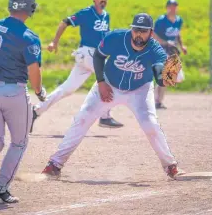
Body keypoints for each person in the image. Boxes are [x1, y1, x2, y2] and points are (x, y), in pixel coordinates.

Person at [41, 13, 184, 180]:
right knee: (82, 118)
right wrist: (101, 81)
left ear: (151, 33)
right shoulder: (115, 37)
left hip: (139, 90)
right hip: (108, 84)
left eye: (143, 31)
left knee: (150, 125)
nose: (139, 34)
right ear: (131, 29)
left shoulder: (155, 49)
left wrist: (165, 78)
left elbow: (159, 75)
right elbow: (99, 56)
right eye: (136, 29)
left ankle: (171, 166)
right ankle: (55, 164)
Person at [0, 0, 46, 204]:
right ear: (30, 7)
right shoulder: (29, 36)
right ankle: (0, 189)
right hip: (13, 92)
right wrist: (39, 91)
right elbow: (34, 72)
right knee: (19, 142)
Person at [31, 0, 123, 132]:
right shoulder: (87, 12)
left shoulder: (106, 16)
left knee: (67, 89)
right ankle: (104, 116)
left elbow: (104, 37)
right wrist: (55, 42)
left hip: (93, 56)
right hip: (87, 53)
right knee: (109, 76)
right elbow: (64, 22)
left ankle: (35, 112)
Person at [153, 0, 187, 109]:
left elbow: (177, 34)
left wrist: (182, 46)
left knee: (175, 77)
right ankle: (157, 101)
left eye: (175, 6)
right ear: (167, 8)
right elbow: (153, 35)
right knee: (167, 76)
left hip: (172, 51)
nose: (173, 8)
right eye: (171, 6)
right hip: (162, 50)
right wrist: (165, 42)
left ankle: (156, 100)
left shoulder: (178, 20)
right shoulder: (161, 21)